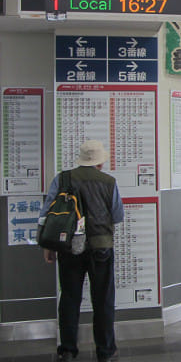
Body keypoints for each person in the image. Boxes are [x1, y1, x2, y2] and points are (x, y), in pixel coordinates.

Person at [40, 140, 124, 362]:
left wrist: (48, 246)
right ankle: (105, 351)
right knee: (103, 299)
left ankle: (67, 350)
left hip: (69, 247)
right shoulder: (109, 182)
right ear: (99, 162)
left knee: (69, 297)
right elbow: (117, 216)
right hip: (101, 247)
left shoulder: (63, 178)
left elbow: (48, 211)